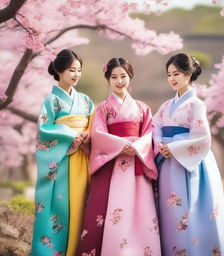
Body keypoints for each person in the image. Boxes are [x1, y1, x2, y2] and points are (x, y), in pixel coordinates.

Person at [76, 57, 161, 256]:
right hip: (112, 163)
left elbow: (150, 134)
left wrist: (138, 146)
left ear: (130, 77)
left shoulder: (142, 108)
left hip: (136, 162)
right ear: (108, 79)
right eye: (114, 77)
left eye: (123, 76)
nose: (119, 81)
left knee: (140, 208)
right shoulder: (103, 108)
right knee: (112, 207)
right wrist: (122, 145)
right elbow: (97, 134)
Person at [153, 53, 224, 256]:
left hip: (190, 163)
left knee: (193, 211)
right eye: (169, 74)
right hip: (169, 161)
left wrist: (173, 147)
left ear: (188, 74)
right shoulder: (164, 107)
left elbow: (202, 136)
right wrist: (160, 144)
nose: (172, 79)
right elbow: (154, 128)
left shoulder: (196, 104)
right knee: (171, 212)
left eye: (177, 74)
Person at [31, 49, 94, 256]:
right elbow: (44, 129)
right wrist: (69, 135)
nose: (76, 75)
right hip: (61, 160)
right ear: (59, 71)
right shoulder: (51, 101)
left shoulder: (85, 100)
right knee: (59, 207)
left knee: (81, 204)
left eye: (79, 70)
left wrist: (87, 133)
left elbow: (94, 124)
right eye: (71, 70)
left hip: (82, 156)